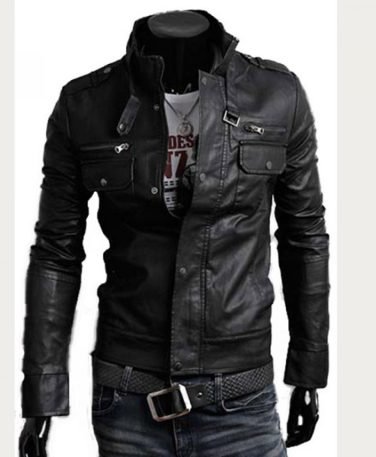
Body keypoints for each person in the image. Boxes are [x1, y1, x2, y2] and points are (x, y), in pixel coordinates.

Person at [18, 9, 330, 457]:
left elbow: (304, 236)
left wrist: (308, 368)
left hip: (241, 399)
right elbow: (56, 251)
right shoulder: (86, 104)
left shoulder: (276, 96)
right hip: (128, 399)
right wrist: (42, 393)